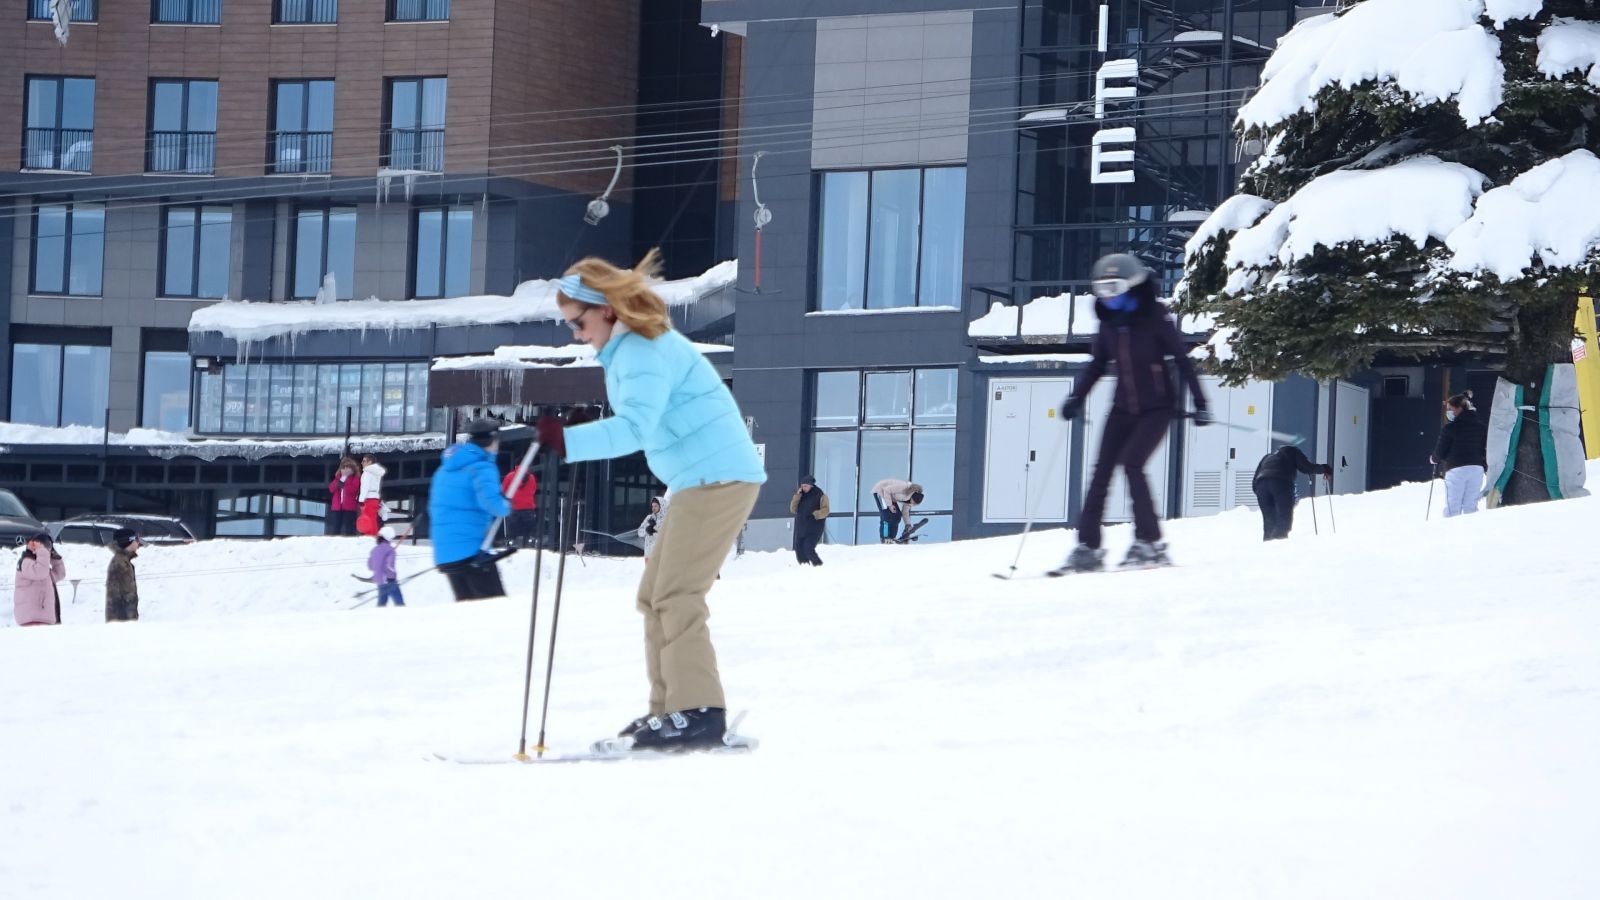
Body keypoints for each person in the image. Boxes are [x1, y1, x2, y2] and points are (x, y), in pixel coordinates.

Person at [537, 248, 765, 752]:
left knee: (677, 595)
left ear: (607, 309)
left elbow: (635, 427)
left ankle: (698, 712)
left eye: (578, 321)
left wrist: (568, 443)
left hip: (718, 477)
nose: (576, 333)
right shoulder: (632, 351)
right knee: (653, 596)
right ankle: (669, 711)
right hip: (696, 479)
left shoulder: (642, 351)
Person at [1055, 253, 1210, 573]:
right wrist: (1076, 398)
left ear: (1133, 285)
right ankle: (1088, 548)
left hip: (1157, 408)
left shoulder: (1155, 317)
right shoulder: (1109, 324)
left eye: (1114, 287)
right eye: (1102, 290)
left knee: (1133, 464)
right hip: (1122, 408)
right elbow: (1098, 364)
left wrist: (1200, 402)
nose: (1108, 296)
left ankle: (1149, 543)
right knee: (1101, 472)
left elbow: (1182, 359)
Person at [428, 418, 513, 601]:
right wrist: (506, 504)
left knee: (467, 612)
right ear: (491, 441)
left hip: (446, 553)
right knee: (495, 609)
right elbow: (493, 505)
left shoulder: (443, 470)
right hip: (471, 552)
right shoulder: (482, 467)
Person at [1252, 445, 1333, 541]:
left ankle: (1268, 548)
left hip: (1261, 485)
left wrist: (1262, 494)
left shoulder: (1267, 457)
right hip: (1281, 482)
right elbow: (1307, 468)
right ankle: (1279, 547)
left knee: (1269, 522)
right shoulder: (1293, 451)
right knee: (1284, 519)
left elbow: (1254, 482)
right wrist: (1325, 469)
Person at [1434, 391, 1488, 517]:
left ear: (1459, 408)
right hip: (1476, 469)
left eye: (1450, 409)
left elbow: (1440, 450)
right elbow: (1484, 448)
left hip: (1456, 469)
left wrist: (1434, 458)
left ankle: (1449, 533)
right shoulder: (1481, 427)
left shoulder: (1450, 428)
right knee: (1471, 506)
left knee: (1453, 506)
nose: (1448, 412)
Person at [13, 533, 65, 627]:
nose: (46, 549)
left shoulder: (42, 567)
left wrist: (54, 557)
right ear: (32, 545)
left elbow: (60, 574)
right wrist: (42, 552)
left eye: (48, 546)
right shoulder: (25, 562)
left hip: (42, 617)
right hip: (31, 617)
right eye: (43, 545)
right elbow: (40, 572)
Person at [871, 478, 924, 544]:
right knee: (887, 515)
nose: (911, 503)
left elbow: (905, 512)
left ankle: (892, 537)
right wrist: (890, 505)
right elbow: (887, 490)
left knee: (897, 516)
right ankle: (885, 537)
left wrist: (908, 525)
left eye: (913, 504)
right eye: (912, 502)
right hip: (881, 491)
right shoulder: (904, 487)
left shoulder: (910, 501)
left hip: (889, 498)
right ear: (912, 497)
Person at [790, 476, 829, 564]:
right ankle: (805, 569)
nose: (803, 488)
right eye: (802, 486)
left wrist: (816, 514)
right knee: (799, 550)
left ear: (811, 485)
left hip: (814, 529)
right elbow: (792, 509)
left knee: (808, 549)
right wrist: (797, 496)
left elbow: (826, 510)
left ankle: (819, 566)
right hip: (801, 528)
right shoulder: (800, 495)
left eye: (805, 486)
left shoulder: (820, 495)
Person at [105, 528, 141, 622]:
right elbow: (115, 598)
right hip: (122, 623)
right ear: (128, 542)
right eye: (136, 539)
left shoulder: (124, 562)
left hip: (126, 622)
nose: (139, 542)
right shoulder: (119, 563)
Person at [500, 466, 539, 548]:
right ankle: (531, 542)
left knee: (512, 526)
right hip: (528, 506)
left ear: (515, 466)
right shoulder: (531, 477)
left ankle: (510, 542)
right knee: (529, 527)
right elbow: (534, 489)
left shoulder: (510, 476)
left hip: (514, 506)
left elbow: (503, 489)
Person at [368, 525, 405, 608]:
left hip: (380, 581)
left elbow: (370, 566)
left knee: (382, 603)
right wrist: (391, 575)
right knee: (399, 602)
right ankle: (403, 616)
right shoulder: (390, 550)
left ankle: (379, 618)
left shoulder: (374, 550)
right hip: (390, 580)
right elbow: (389, 565)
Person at [327, 456, 360, 536]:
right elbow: (331, 489)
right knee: (336, 526)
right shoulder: (338, 477)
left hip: (349, 507)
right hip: (337, 506)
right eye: (343, 467)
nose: (345, 469)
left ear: (352, 469)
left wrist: (345, 483)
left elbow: (353, 490)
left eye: (347, 467)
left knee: (349, 527)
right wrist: (342, 479)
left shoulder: (355, 478)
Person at [356, 454, 387, 537]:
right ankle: (374, 535)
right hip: (375, 497)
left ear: (369, 462)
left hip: (368, 498)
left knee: (368, 518)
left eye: (364, 461)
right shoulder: (376, 472)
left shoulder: (367, 472)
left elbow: (365, 487)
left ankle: (370, 535)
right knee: (373, 518)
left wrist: (361, 500)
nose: (362, 463)